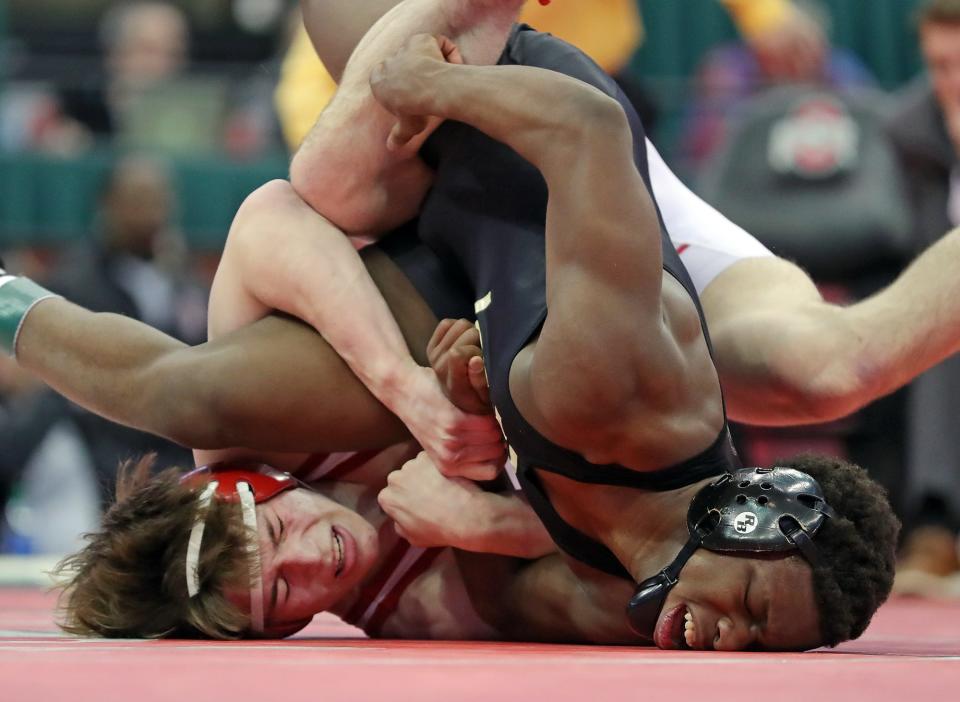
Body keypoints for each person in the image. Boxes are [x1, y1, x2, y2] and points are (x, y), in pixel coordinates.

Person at [0, 0, 944, 646]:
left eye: (274, 559)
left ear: (246, 486)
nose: (309, 569)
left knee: (831, 366)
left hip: (551, 203)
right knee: (336, 172)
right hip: (548, 187)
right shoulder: (606, 456)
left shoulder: (250, 431)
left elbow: (274, 216)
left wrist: (435, 402)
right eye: (283, 605)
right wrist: (466, 472)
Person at [885, 0, 960, 593]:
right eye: (939, 65)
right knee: (933, 335)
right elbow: (919, 245)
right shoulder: (910, 127)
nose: (951, 82)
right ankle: (935, 524)